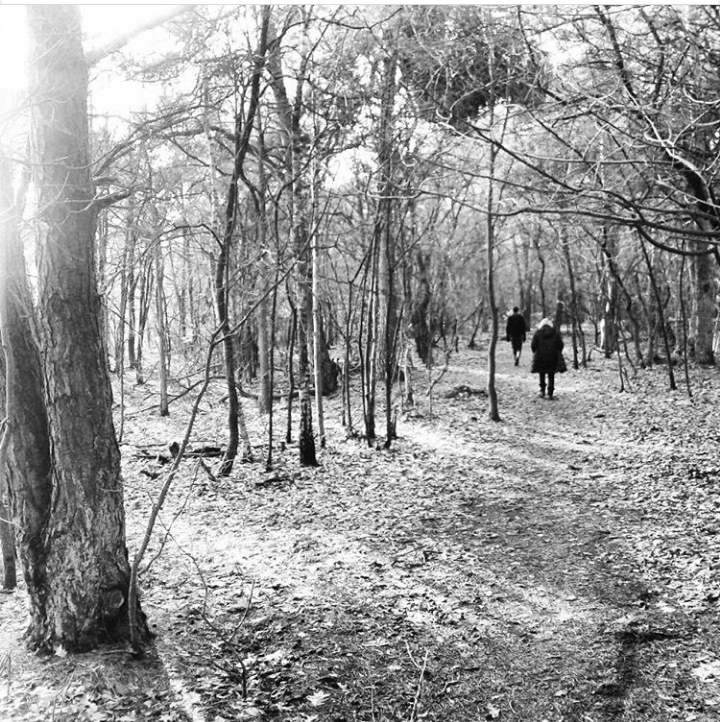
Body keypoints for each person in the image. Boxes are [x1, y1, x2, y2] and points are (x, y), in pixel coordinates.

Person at [530, 317, 564, 399]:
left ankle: (542, 391)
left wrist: (535, 351)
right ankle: (550, 393)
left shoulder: (538, 333)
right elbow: (561, 344)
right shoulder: (555, 333)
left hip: (540, 356)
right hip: (552, 356)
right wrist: (558, 351)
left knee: (541, 373)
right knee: (551, 374)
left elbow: (533, 344)